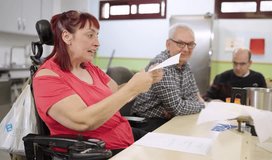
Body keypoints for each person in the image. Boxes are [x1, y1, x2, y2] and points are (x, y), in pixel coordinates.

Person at [32, 10, 163, 154]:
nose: (97, 43)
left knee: (170, 148)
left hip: (125, 137)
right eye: (90, 35)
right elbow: (83, 121)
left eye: (97, 36)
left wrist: (142, 82)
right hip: (97, 150)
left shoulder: (90, 68)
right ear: (67, 36)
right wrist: (132, 88)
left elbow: (117, 93)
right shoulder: (47, 78)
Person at [130, 24, 205, 132]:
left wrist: (182, 107)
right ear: (168, 44)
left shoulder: (185, 64)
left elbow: (193, 96)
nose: (186, 49)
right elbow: (178, 107)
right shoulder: (160, 65)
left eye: (190, 44)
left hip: (170, 119)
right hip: (147, 122)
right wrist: (201, 105)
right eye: (180, 44)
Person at [203, 48, 267, 102]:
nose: (237, 68)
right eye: (235, 63)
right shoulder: (221, 78)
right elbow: (206, 97)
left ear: (250, 63)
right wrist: (214, 102)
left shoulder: (258, 79)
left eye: (242, 64)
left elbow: (264, 100)